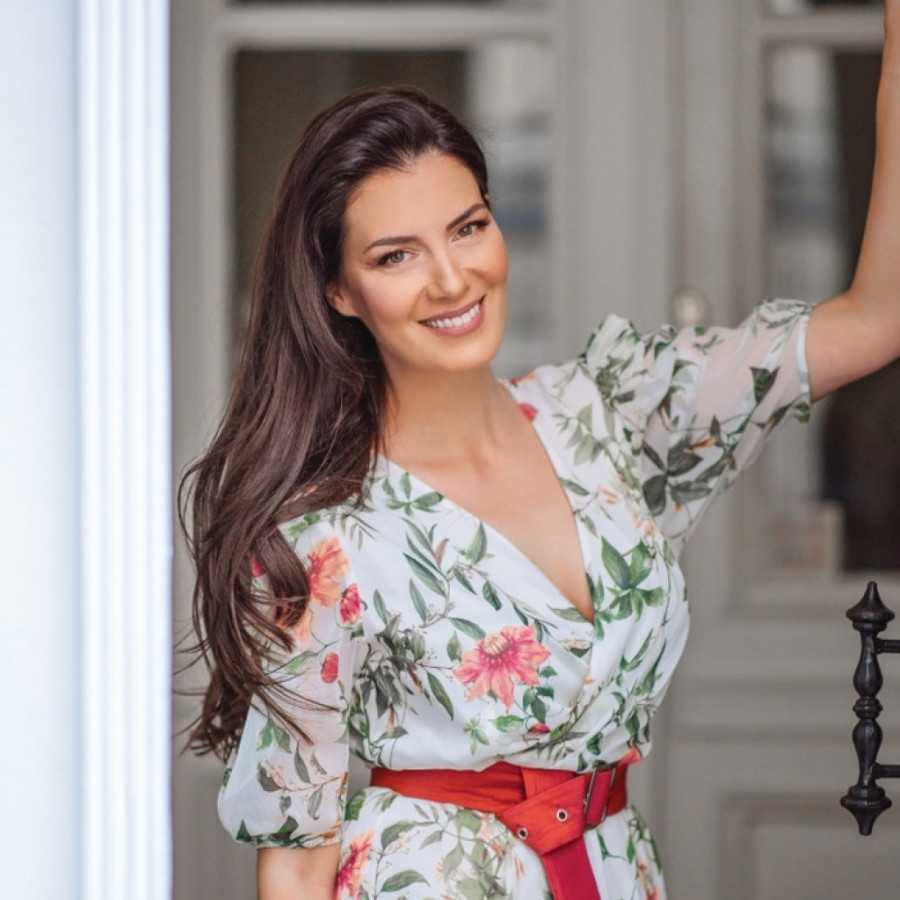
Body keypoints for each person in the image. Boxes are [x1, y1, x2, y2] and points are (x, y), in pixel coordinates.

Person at [184, 6, 900, 897]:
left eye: (468, 227)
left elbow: (874, 320)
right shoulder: (322, 535)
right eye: (397, 256)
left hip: (615, 869)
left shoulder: (613, 411)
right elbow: (295, 858)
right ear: (338, 291)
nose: (453, 279)